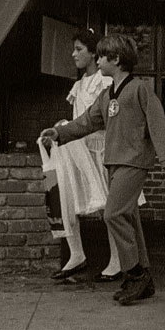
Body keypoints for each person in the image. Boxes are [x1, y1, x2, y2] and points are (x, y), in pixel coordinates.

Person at [39, 33, 165, 305]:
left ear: (116, 60)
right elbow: (86, 122)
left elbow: (158, 124)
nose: (99, 60)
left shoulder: (140, 89)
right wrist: (59, 134)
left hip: (134, 161)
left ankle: (134, 274)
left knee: (113, 214)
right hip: (114, 162)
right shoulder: (106, 95)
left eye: (103, 56)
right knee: (130, 218)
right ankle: (144, 277)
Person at [38, 28, 126, 283]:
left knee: (110, 205)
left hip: (100, 150)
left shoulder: (106, 82)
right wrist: (62, 130)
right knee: (64, 194)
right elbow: (79, 121)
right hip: (77, 149)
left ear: (92, 53)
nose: (73, 54)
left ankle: (117, 260)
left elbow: (104, 119)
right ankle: (76, 254)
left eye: (79, 50)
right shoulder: (78, 86)